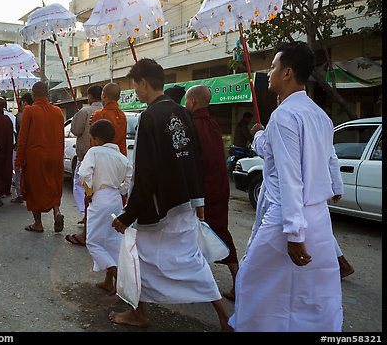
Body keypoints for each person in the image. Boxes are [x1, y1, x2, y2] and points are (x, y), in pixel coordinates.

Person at [228, 41, 343, 332]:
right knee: (312, 290)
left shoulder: (284, 116)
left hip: (286, 216)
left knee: (254, 282)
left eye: (273, 67)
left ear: (288, 72)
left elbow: (291, 175)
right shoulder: (319, 115)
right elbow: (328, 157)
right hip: (316, 216)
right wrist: (336, 186)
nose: (269, 73)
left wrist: (293, 232)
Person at [109, 58, 231, 331]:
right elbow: (194, 160)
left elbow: (145, 172)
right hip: (184, 203)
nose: (136, 92)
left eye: (135, 86)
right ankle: (224, 316)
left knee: (135, 257)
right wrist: (198, 201)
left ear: (143, 83)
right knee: (190, 261)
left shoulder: (149, 116)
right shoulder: (183, 112)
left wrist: (128, 216)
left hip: (160, 207)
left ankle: (139, 313)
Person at [185, 85, 239, 301]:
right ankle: (196, 279)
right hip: (219, 185)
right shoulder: (213, 124)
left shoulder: (193, 126)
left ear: (193, 102)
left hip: (203, 189)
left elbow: (194, 162)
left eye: (187, 101)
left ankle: (238, 282)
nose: (185, 105)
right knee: (214, 231)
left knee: (212, 232)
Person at [65, 82, 127, 246]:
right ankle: (110, 236)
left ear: (103, 96)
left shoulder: (100, 115)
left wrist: (89, 188)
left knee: (91, 205)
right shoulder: (123, 116)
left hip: (99, 168)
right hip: (117, 166)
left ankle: (87, 235)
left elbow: (94, 145)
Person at [78, 119, 133, 294]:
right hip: (116, 199)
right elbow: (130, 181)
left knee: (93, 242)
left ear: (97, 139)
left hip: (99, 198)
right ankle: (109, 281)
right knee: (112, 241)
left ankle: (119, 279)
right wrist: (121, 190)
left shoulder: (94, 151)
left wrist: (89, 193)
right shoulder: (122, 158)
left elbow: (84, 174)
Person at [14, 81, 65, 233]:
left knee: (34, 189)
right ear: (47, 93)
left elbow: (23, 138)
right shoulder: (58, 112)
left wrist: (18, 160)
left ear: (33, 94)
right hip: (55, 156)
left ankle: (38, 224)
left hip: (36, 157)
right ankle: (57, 212)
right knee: (53, 186)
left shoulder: (30, 110)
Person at [70, 84, 103, 223]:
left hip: (85, 154)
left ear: (90, 96)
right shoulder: (107, 110)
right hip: (104, 156)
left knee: (81, 184)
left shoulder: (85, 111)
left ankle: (85, 212)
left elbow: (76, 130)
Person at [10, 92, 34, 204]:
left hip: (21, 147)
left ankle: (20, 194)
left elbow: (20, 135)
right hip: (34, 148)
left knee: (18, 172)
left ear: (24, 102)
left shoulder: (21, 115)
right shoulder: (37, 112)